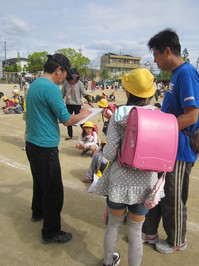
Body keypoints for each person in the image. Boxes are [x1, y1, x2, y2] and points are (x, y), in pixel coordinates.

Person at [142, 28, 199, 254]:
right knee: (157, 191)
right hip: (168, 146)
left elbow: (193, 115)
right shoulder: (176, 74)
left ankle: (177, 241)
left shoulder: (186, 73)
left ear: (167, 51)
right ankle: (150, 230)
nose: (154, 60)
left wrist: (161, 127)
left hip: (181, 149)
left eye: (155, 55)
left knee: (173, 197)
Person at [93, 68, 157, 266]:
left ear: (128, 92)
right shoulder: (157, 114)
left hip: (119, 182)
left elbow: (110, 153)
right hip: (146, 183)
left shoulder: (119, 114)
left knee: (113, 225)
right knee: (136, 232)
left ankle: (107, 261)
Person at [25, 53, 91, 244]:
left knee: (40, 182)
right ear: (58, 70)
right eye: (65, 74)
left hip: (32, 143)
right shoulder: (52, 89)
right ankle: (51, 232)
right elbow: (67, 120)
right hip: (45, 147)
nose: (66, 78)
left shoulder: (35, 84)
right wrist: (85, 113)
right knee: (54, 191)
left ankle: (37, 213)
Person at [62, 68, 94, 140]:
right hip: (69, 104)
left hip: (77, 104)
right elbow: (62, 94)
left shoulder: (79, 83)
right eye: (73, 75)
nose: (74, 77)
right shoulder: (66, 83)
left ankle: (86, 135)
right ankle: (70, 135)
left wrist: (89, 101)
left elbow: (84, 94)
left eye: (75, 76)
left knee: (81, 121)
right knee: (68, 120)